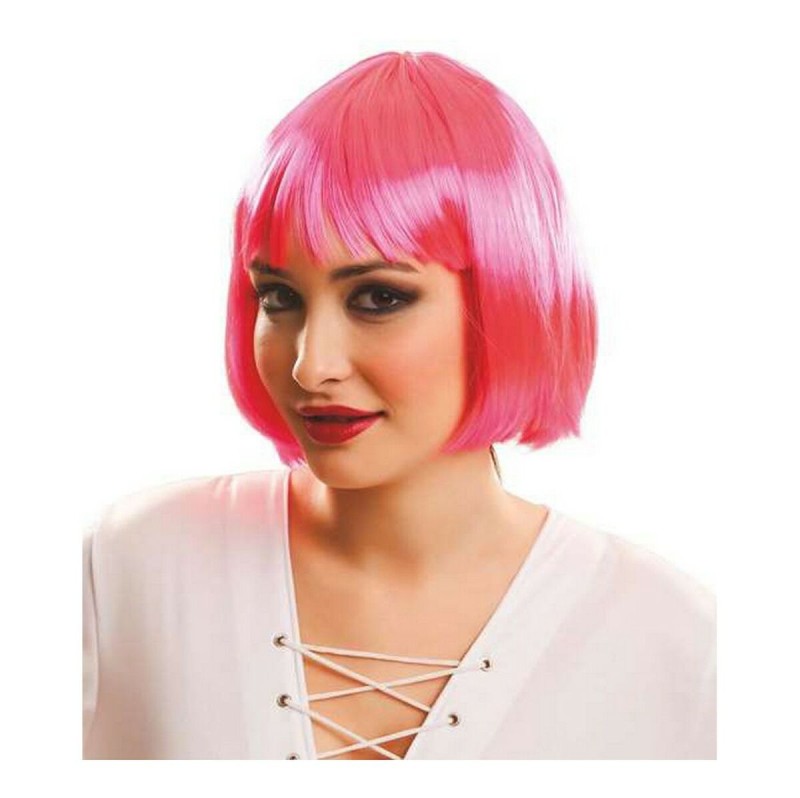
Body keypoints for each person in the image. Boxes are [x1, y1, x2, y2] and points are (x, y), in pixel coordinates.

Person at [82, 51, 716, 760]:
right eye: (279, 297)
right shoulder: (132, 567)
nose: (310, 365)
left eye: (379, 297)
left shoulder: (671, 643)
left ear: (505, 301)